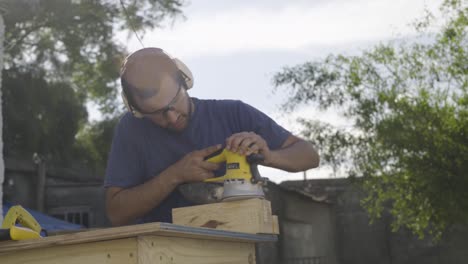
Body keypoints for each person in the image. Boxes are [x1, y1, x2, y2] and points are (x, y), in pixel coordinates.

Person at [104, 47, 319, 226]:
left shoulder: (234, 113)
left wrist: (269, 155)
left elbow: (309, 156)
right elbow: (117, 213)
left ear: (185, 81)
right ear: (137, 111)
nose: (171, 117)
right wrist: (175, 175)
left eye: (174, 102)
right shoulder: (132, 129)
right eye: (157, 113)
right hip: (164, 251)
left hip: (236, 245)